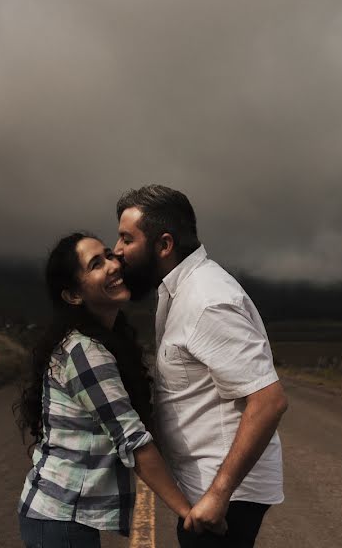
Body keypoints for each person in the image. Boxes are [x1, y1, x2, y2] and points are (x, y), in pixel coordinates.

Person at [114, 185, 288, 548]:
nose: (117, 251)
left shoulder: (207, 300)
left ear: (164, 245)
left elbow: (268, 401)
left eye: (126, 239)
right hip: (205, 489)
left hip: (225, 497)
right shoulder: (178, 292)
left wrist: (219, 494)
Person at [16, 232, 198, 548]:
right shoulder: (84, 351)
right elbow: (133, 439)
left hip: (60, 519)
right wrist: (188, 512)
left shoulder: (104, 341)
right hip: (60, 520)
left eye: (108, 255)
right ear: (73, 295)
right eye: (96, 264)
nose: (113, 265)